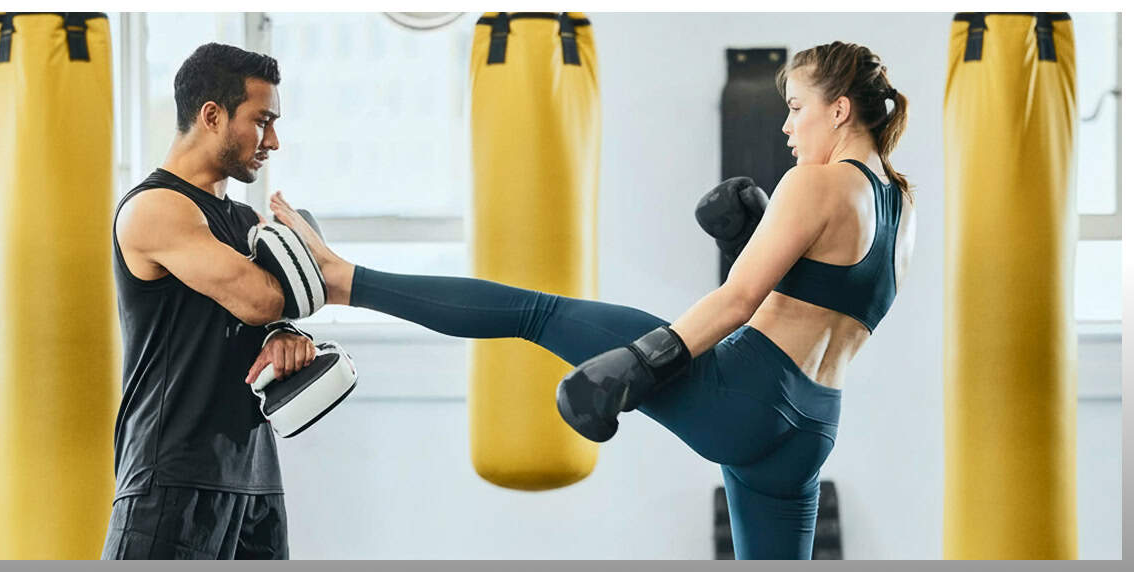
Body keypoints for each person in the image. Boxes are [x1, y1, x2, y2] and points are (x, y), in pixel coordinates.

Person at [264, 41, 916, 559]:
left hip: (744, 390)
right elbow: (835, 292)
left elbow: (741, 298)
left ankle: (338, 278)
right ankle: (339, 275)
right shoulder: (899, 204)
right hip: (811, 430)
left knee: (534, 312)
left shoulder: (817, 183)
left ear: (839, 110)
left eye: (797, 107)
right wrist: (757, 226)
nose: (786, 126)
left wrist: (642, 363)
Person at [103, 43, 319, 560]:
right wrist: (302, 269)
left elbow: (273, 315)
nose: (273, 141)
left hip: (255, 483)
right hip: (171, 479)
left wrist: (291, 336)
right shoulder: (155, 209)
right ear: (211, 115)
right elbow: (260, 300)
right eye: (262, 121)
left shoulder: (246, 223)